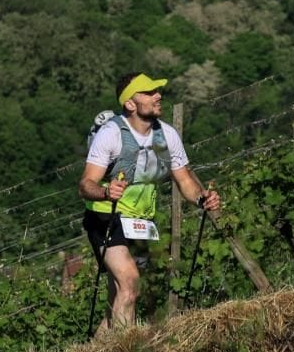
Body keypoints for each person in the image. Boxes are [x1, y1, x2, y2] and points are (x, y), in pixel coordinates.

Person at [78, 72, 221, 333]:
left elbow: (185, 180)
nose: (158, 96)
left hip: (141, 221)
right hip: (106, 217)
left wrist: (202, 198)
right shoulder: (111, 134)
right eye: (148, 92)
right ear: (130, 103)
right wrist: (106, 192)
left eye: (157, 91)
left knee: (122, 295)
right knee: (130, 283)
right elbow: (86, 185)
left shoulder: (167, 135)